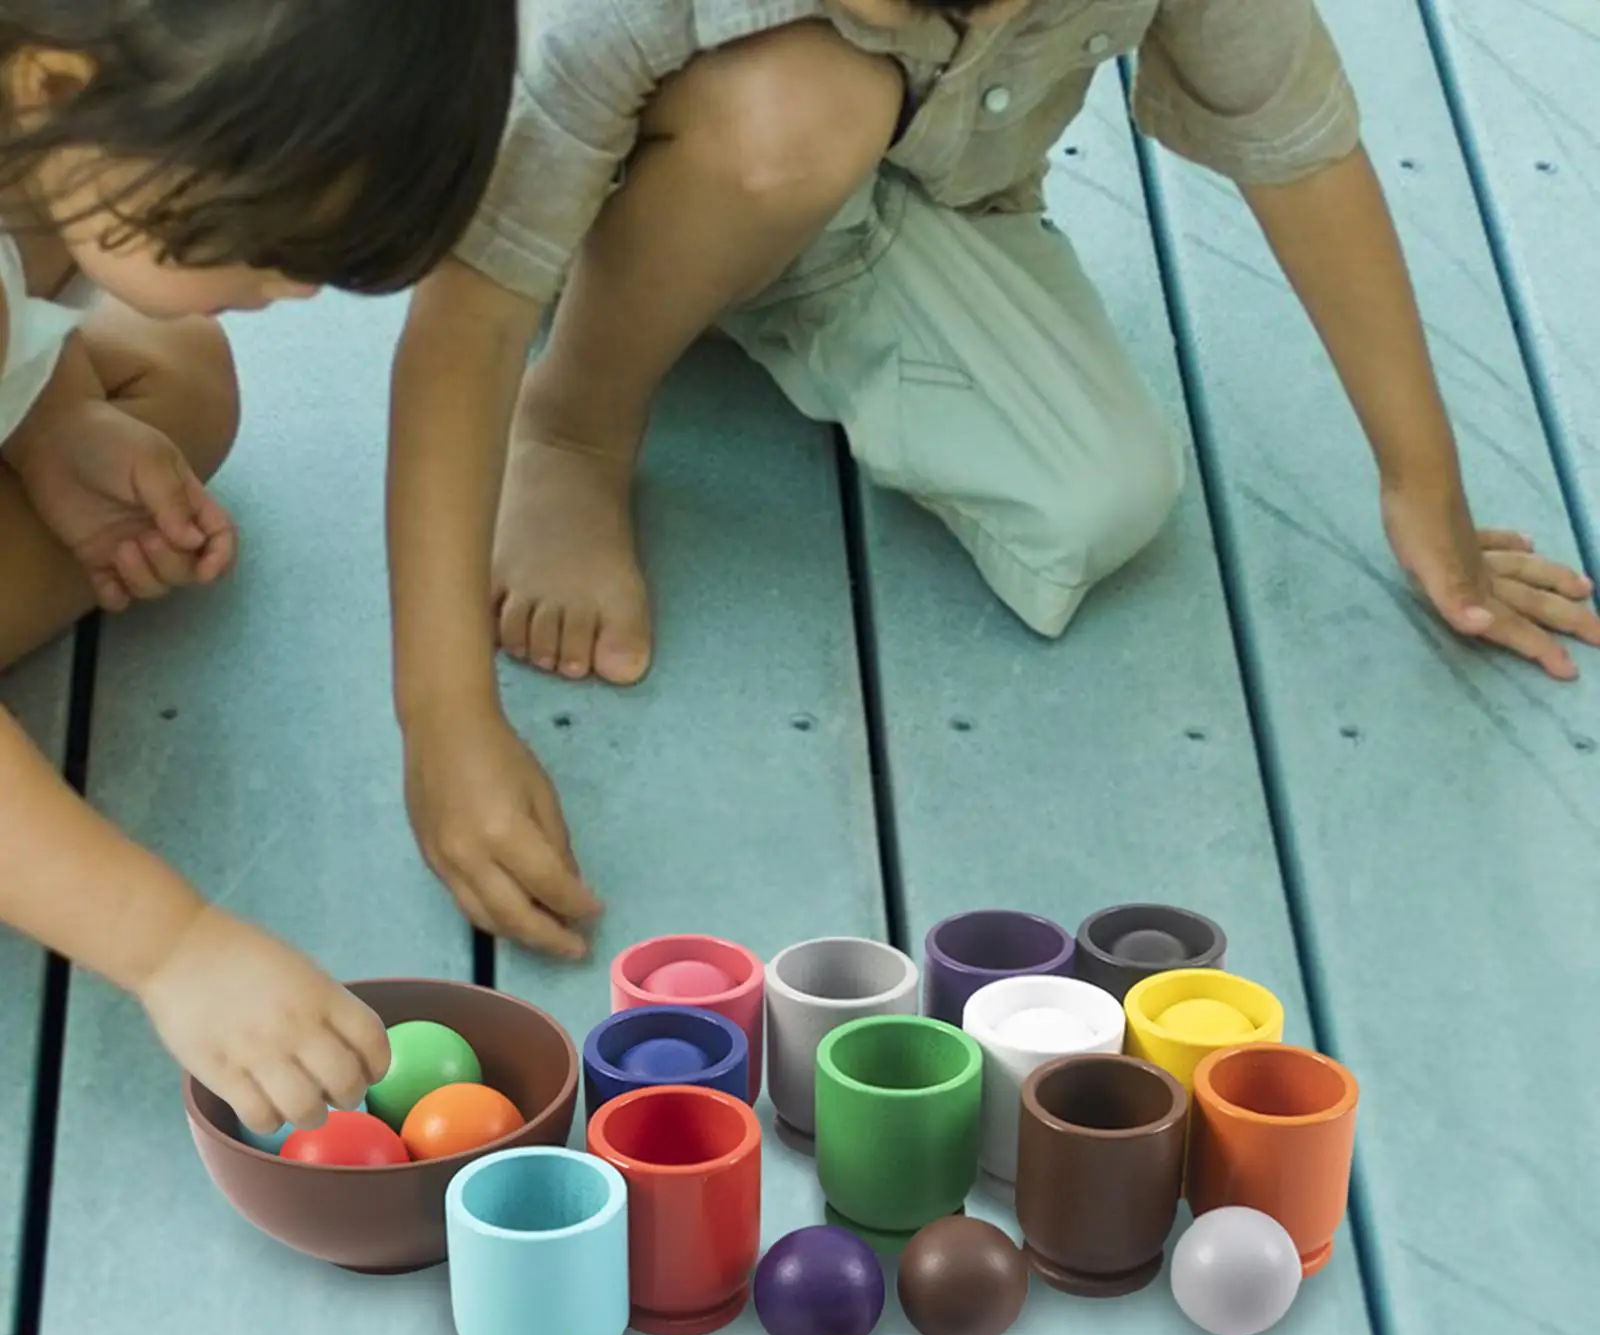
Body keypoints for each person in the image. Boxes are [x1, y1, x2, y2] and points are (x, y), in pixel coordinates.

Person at [387, 0, 1600, 961]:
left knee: (1104, 501)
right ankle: (581, 419)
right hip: (609, 176)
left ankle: (761, 294)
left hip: (910, 201)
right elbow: (467, 319)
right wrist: (445, 726)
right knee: (808, 103)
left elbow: (1302, 154)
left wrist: (1420, 480)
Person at [0, 0, 516, 1133]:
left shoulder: (51, 141)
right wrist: (173, 944)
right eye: (262, 242)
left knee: (178, 371)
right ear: (50, 86)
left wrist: (51, 422)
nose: (294, 292)